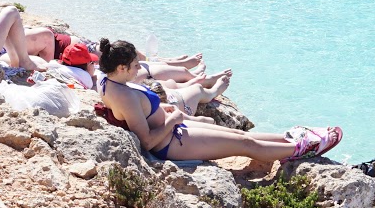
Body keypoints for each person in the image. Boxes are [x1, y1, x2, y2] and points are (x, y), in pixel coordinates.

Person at [96, 39, 340, 165]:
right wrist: (172, 119)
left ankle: (287, 138)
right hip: (171, 143)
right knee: (245, 144)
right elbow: (147, 142)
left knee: (238, 134)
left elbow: (140, 113)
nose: (139, 69)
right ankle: (301, 149)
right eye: (135, 66)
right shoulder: (124, 95)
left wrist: (162, 110)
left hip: (173, 128)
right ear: (121, 67)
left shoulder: (107, 81)